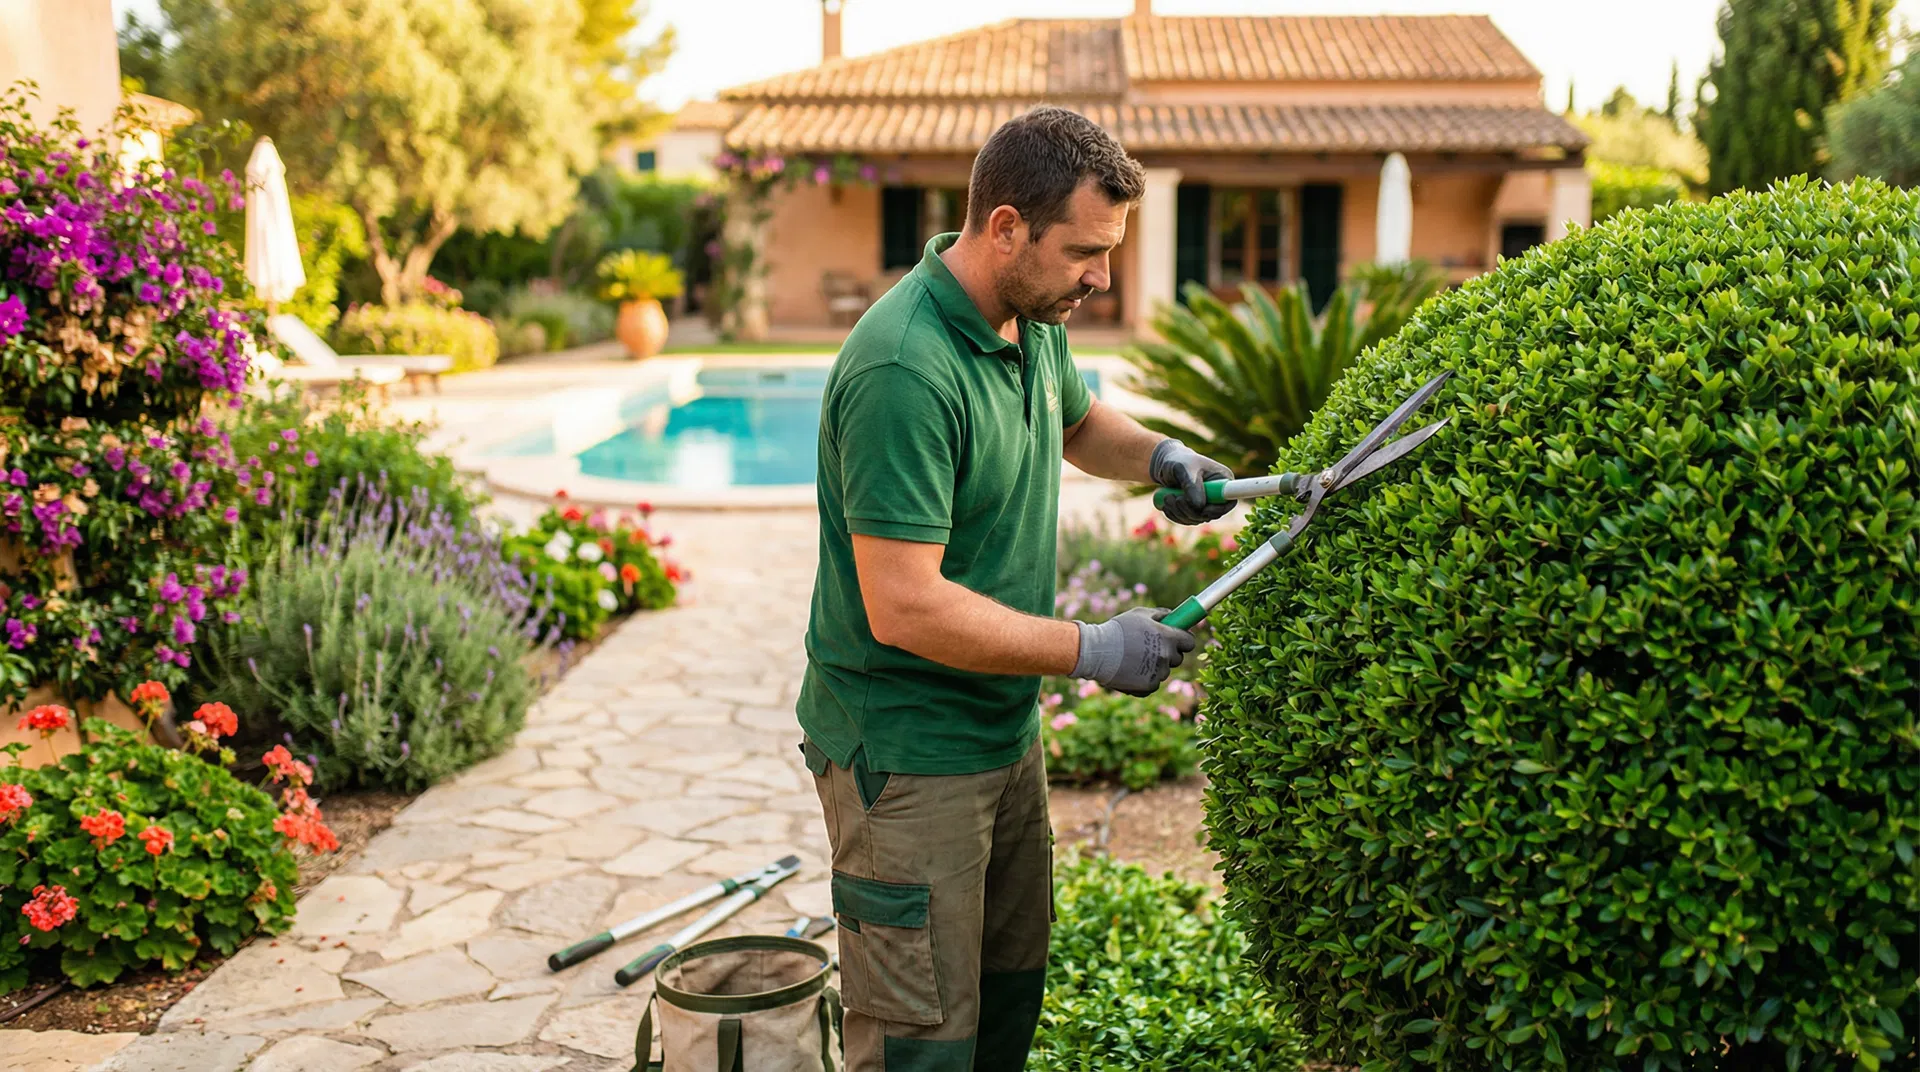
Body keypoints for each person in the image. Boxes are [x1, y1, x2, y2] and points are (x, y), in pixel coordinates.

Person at [797, 105, 1236, 1071]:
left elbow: (1079, 423)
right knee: (921, 1046)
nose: (1102, 278)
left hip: (1002, 733)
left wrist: (1161, 454)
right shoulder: (905, 367)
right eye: (1085, 251)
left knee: (1003, 1007)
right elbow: (902, 603)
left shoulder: (1028, 316)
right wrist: (1091, 649)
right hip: (905, 757)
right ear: (1004, 227)